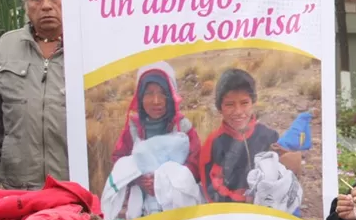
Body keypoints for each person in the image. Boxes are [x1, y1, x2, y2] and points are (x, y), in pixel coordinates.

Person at [0, 0, 66, 189]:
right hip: (18, 189)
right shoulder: (5, 47)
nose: (46, 5)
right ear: (26, 5)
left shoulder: (88, 48)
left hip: (73, 188)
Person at [110, 62, 202, 196]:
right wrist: (138, 179)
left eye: (162, 93)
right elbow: (118, 161)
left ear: (171, 96)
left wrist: (164, 183)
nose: (156, 100)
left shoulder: (182, 127)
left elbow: (196, 165)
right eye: (149, 93)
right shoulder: (134, 129)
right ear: (140, 97)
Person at [200, 68, 279, 203]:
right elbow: (212, 190)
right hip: (230, 214)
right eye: (230, 104)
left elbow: (281, 177)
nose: (238, 111)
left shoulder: (269, 136)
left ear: (253, 102)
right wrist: (245, 201)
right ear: (220, 107)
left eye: (244, 103)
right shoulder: (213, 144)